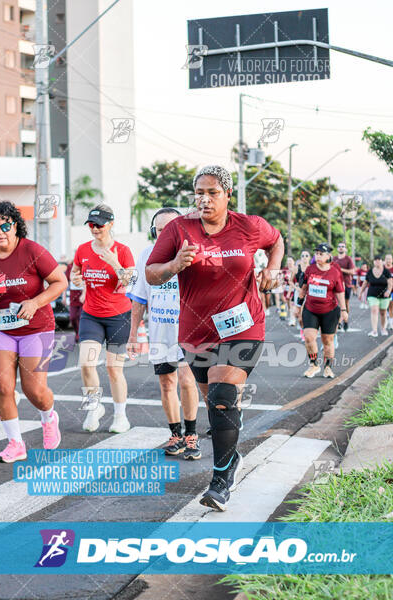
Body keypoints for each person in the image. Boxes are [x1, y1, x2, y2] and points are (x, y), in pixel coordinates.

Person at [145, 165, 284, 511]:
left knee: (222, 395)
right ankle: (230, 451)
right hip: (196, 332)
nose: (205, 199)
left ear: (227, 194)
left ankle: (220, 479)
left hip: (243, 324)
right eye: (199, 193)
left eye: (213, 193)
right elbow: (151, 273)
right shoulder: (179, 229)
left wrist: (272, 268)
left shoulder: (248, 226)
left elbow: (276, 240)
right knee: (217, 407)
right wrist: (175, 264)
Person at [0, 201, 67, 463]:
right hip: (0, 329)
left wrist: (35, 302)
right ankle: (15, 443)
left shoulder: (32, 250)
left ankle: (49, 417)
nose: (0, 231)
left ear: (15, 226)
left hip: (36, 328)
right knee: (2, 386)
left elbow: (60, 282)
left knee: (34, 390)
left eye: (5, 225)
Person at [127, 208, 200, 460]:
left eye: (171, 229)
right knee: (166, 383)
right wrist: (133, 335)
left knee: (187, 380)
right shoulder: (146, 256)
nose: (165, 234)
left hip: (188, 332)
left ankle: (191, 435)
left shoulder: (193, 254)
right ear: (153, 231)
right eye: (160, 230)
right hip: (160, 332)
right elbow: (139, 299)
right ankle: (176, 434)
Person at [71, 204, 135, 433]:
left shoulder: (123, 250)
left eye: (98, 225)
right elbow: (75, 273)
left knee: (113, 368)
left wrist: (114, 262)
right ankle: (93, 408)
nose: (94, 229)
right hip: (91, 314)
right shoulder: (82, 249)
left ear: (110, 224)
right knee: (86, 363)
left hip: (119, 316)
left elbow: (130, 283)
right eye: (90, 224)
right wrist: (76, 279)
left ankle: (120, 416)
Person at [298, 243, 347, 379]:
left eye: (321, 254)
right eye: (317, 253)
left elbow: (340, 292)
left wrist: (344, 310)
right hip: (310, 309)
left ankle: (328, 367)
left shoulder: (335, 271)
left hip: (330, 311)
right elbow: (303, 288)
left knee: (327, 341)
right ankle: (314, 365)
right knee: (308, 337)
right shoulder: (310, 269)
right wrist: (298, 306)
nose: (318, 256)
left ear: (328, 256)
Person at [359, 256, 393, 337]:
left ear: (382, 261)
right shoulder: (370, 272)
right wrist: (361, 293)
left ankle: (383, 329)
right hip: (372, 295)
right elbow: (365, 282)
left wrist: (388, 291)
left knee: (383, 312)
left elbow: (390, 283)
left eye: (379, 260)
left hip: (384, 295)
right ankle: (374, 331)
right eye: (375, 260)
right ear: (373, 262)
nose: (377, 261)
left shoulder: (386, 271)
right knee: (374, 310)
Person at [333, 242, 355, 330]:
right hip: (335, 284)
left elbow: (352, 272)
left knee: (345, 304)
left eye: (342, 247)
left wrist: (340, 269)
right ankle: (338, 322)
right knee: (336, 304)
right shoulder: (334, 259)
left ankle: (345, 321)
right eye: (339, 246)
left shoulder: (348, 259)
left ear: (345, 249)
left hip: (346, 284)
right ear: (337, 248)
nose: (341, 248)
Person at [65, 257, 85, 343]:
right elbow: (66, 282)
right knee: (73, 317)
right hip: (73, 297)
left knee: (81, 316)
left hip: (83, 297)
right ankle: (77, 332)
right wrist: (64, 297)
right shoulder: (70, 267)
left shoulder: (85, 267)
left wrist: (84, 294)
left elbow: (87, 282)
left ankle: (81, 335)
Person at [384, 254, 393, 329]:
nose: (388, 260)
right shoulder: (382, 268)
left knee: (391, 306)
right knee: (383, 308)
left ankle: (390, 323)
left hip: (392, 291)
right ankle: (385, 321)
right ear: (384, 260)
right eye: (387, 259)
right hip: (383, 291)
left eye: (390, 259)